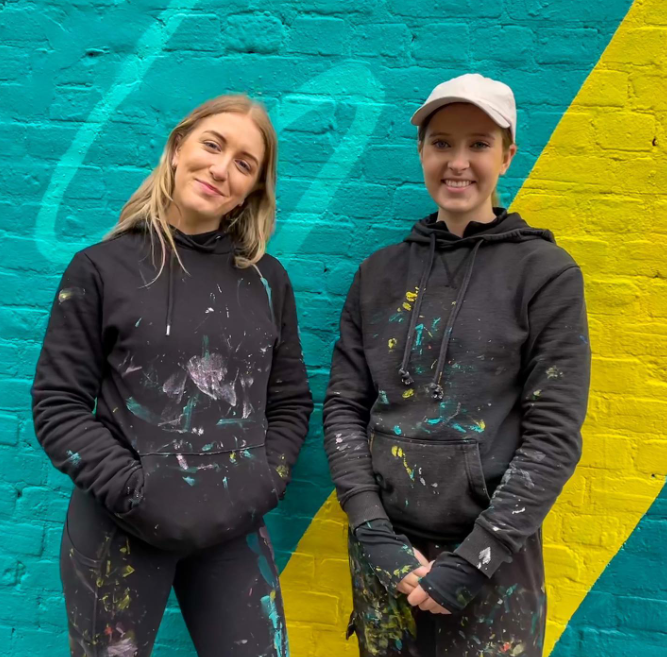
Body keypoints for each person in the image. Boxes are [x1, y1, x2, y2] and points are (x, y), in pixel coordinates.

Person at [32, 94, 313, 657]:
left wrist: (263, 482)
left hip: (233, 525)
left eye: (244, 163)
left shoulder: (266, 280)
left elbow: (291, 402)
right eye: (213, 145)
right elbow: (57, 405)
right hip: (122, 526)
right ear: (179, 147)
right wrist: (137, 492)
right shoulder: (100, 269)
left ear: (253, 190)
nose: (221, 169)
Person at [323, 73, 591, 656]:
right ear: (422, 151)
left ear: (508, 154)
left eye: (479, 144)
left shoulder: (545, 274)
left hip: (494, 563)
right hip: (385, 556)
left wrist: (475, 560)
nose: (459, 162)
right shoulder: (379, 274)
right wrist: (374, 535)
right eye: (442, 143)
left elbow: (553, 437)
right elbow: (345, 409)